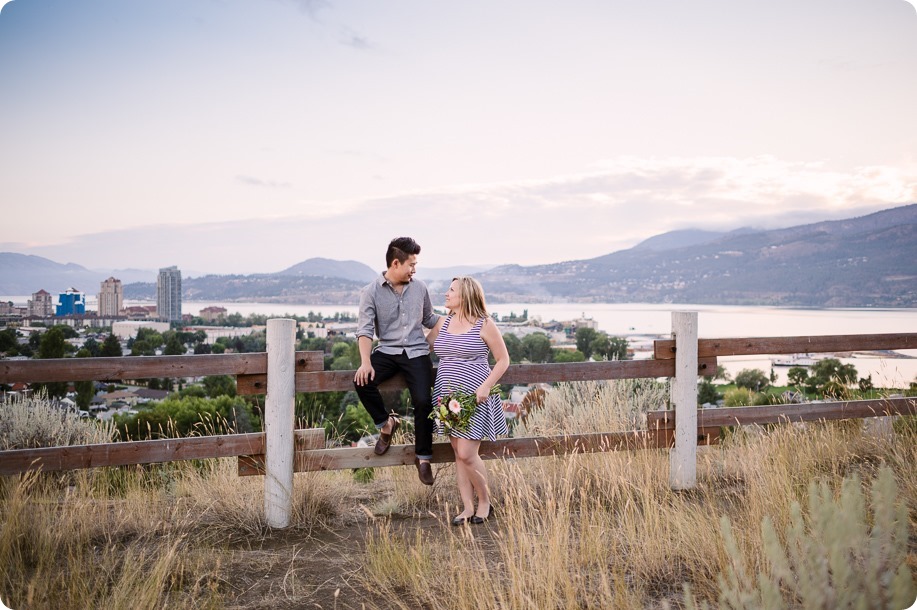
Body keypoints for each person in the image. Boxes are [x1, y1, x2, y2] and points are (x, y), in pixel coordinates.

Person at [354, 237, 441, 485]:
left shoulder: (420, 287)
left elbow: (429, 318)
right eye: (411, 264)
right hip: (388, 351)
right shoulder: (370, 292)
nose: (414, 269)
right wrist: (365, 362)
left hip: (416, 352)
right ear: (395, 263)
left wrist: (458, 320)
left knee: (424, 402)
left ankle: (423, 458)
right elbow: (364, 330)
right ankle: (386, 424)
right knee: (361, 381)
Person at [426, 276, 509, 525]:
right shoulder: (444, 322)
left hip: (474, 397)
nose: (446, 294)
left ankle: (485, 502)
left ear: (465, 295)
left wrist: (486, 386)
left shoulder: (484, 324)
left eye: (451, 290)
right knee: (457, 453)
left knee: (466, 452)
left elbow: (503, 360)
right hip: (447, 397)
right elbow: (420, 346)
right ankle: (467, 508)